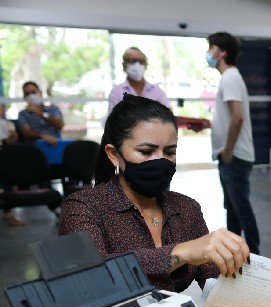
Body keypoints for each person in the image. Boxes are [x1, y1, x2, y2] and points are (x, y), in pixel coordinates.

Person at [59, 94, 249, 292]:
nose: (160, 161)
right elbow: (92, 274)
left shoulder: (187, 209)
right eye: (146, 151)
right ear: (114, 155)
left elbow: (214, 283)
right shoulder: (83, 207)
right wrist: (181, 253)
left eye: (169, 152)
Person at [206, 31, 260, 255]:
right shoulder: (229, 78)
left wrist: (228, 149)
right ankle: (235, 251)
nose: (208, 53)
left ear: (222, 52)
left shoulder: (230, 77)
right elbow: (230, 117)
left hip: (234, 155)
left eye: (211, 48)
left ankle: (255, 253)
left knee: (240, 207)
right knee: (233, 209)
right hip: (230, 154)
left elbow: (237, 117)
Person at [108, 47, 170, 112]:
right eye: (132, 61)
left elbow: (168, 116)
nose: (137, 65)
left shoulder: (157, 91)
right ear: (124, 65)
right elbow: (113, 120)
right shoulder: (117, 92)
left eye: (141, 61)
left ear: (145, 65)